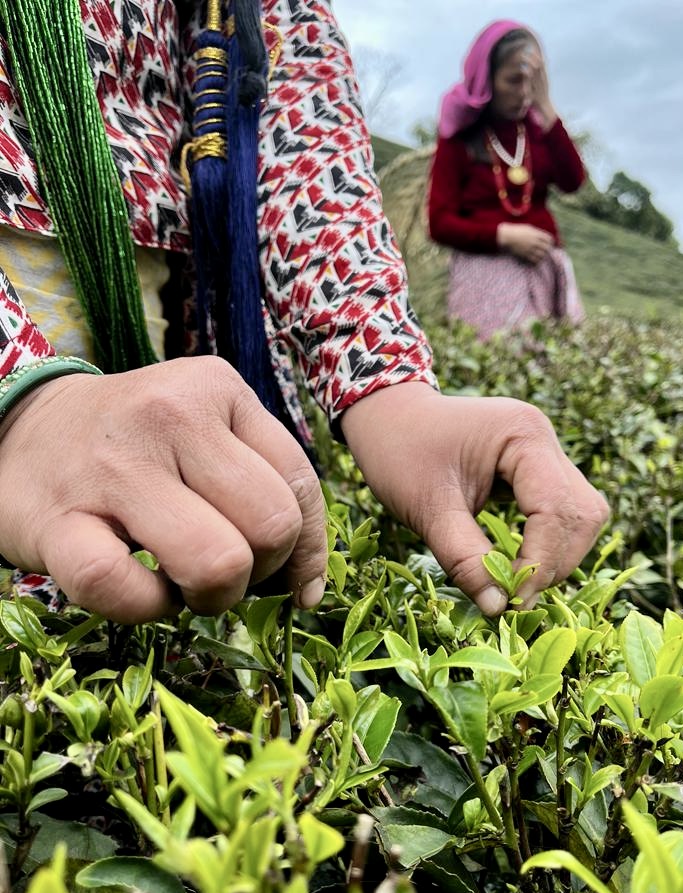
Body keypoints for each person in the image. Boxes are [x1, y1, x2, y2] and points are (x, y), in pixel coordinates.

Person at [0, 1, 608, 626]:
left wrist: (386, 388)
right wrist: (21, 402)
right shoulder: (466, 140)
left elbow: (297, 118)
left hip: (161, 317)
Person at [428, 20, 586, 339]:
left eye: (532, 82)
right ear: (487, 80)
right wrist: (504, 236)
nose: (523, 93)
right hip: (484, 277)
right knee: (495, 369)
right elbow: (439, 222)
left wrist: (547, 107)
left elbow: (572, 180)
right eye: (513, 81)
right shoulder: (459, 136)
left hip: (544, 274)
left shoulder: (538, 129)